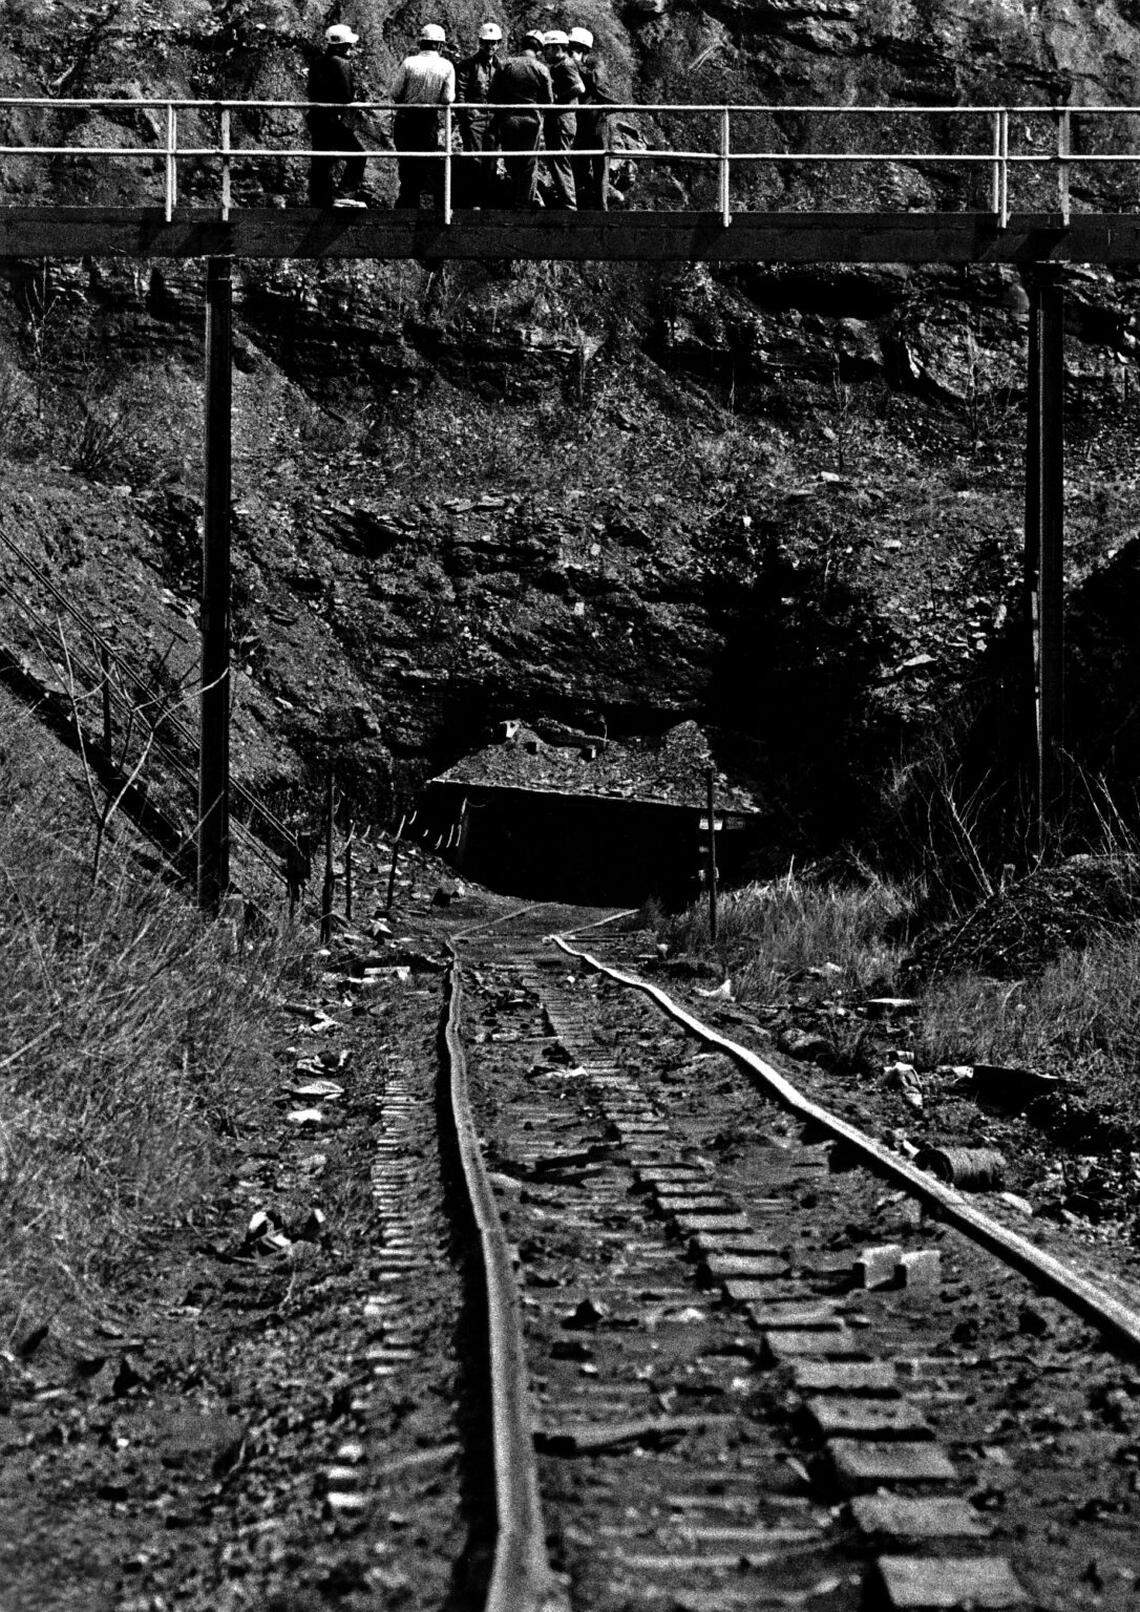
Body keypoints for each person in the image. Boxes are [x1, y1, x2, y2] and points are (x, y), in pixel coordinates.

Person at [389, 22, 456, 210]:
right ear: (440, 45)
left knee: (406, 163)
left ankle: (406, 205)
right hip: (428, 121)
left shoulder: (409, 63)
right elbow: (448, 98)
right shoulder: (446, 66)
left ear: (421, 43)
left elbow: (395, 93)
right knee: (426, 163)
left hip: (406, 119)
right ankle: (434, 207)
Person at [488, 28, 552, 210]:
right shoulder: (542, 69)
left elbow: (493, 95)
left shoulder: (505, 65)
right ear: (539, 50)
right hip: (532, 121)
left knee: (511, 160)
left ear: (521, 45)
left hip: (508, 120)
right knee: (529, 163)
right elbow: (548, 101)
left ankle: (510, 198)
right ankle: (523, 203)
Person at [307, 23, 368, 208]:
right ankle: (344, 193)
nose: (351, 48)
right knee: (358, 155)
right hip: (333, 119)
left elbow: (310, 90)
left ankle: (318, 199)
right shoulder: (342, 64)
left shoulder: (317, 62)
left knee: (322, 159)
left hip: (317, 117)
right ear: (341, 45)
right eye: (349, 45)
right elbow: (346, 96)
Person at [455, 21, 502, 207]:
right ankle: (473, 201)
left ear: (498, 44)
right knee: (474, 159)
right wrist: (466, 115)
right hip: (474, 118)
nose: (490, 47)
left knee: (491, 159)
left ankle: (488, 201)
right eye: (486, 43)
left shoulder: (501, 66)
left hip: (494, 118)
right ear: (480, 43)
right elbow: (460, 91)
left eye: (493, 43)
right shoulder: (468, 65)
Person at [540, 30, 584, 210]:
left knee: (560, 160)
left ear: (557, 48)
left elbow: (579, 87)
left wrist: (557, 98)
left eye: (547, 49)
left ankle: (569, 204)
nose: (544, 53)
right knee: (557, 159)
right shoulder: (560, 66)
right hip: (560, 119)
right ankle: (566, 200)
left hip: (562, 119)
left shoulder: (565, 65)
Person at [568, 26, 609, 210]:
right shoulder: (570, 63)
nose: (570, 52)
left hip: (597, 120)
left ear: (584, 49)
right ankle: (580, 204)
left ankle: (602, 206)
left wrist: (577, 65)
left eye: (574, 47)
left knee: (600, 165)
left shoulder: (595, 62)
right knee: (578, 163)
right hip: (580, 120)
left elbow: (595, 81)